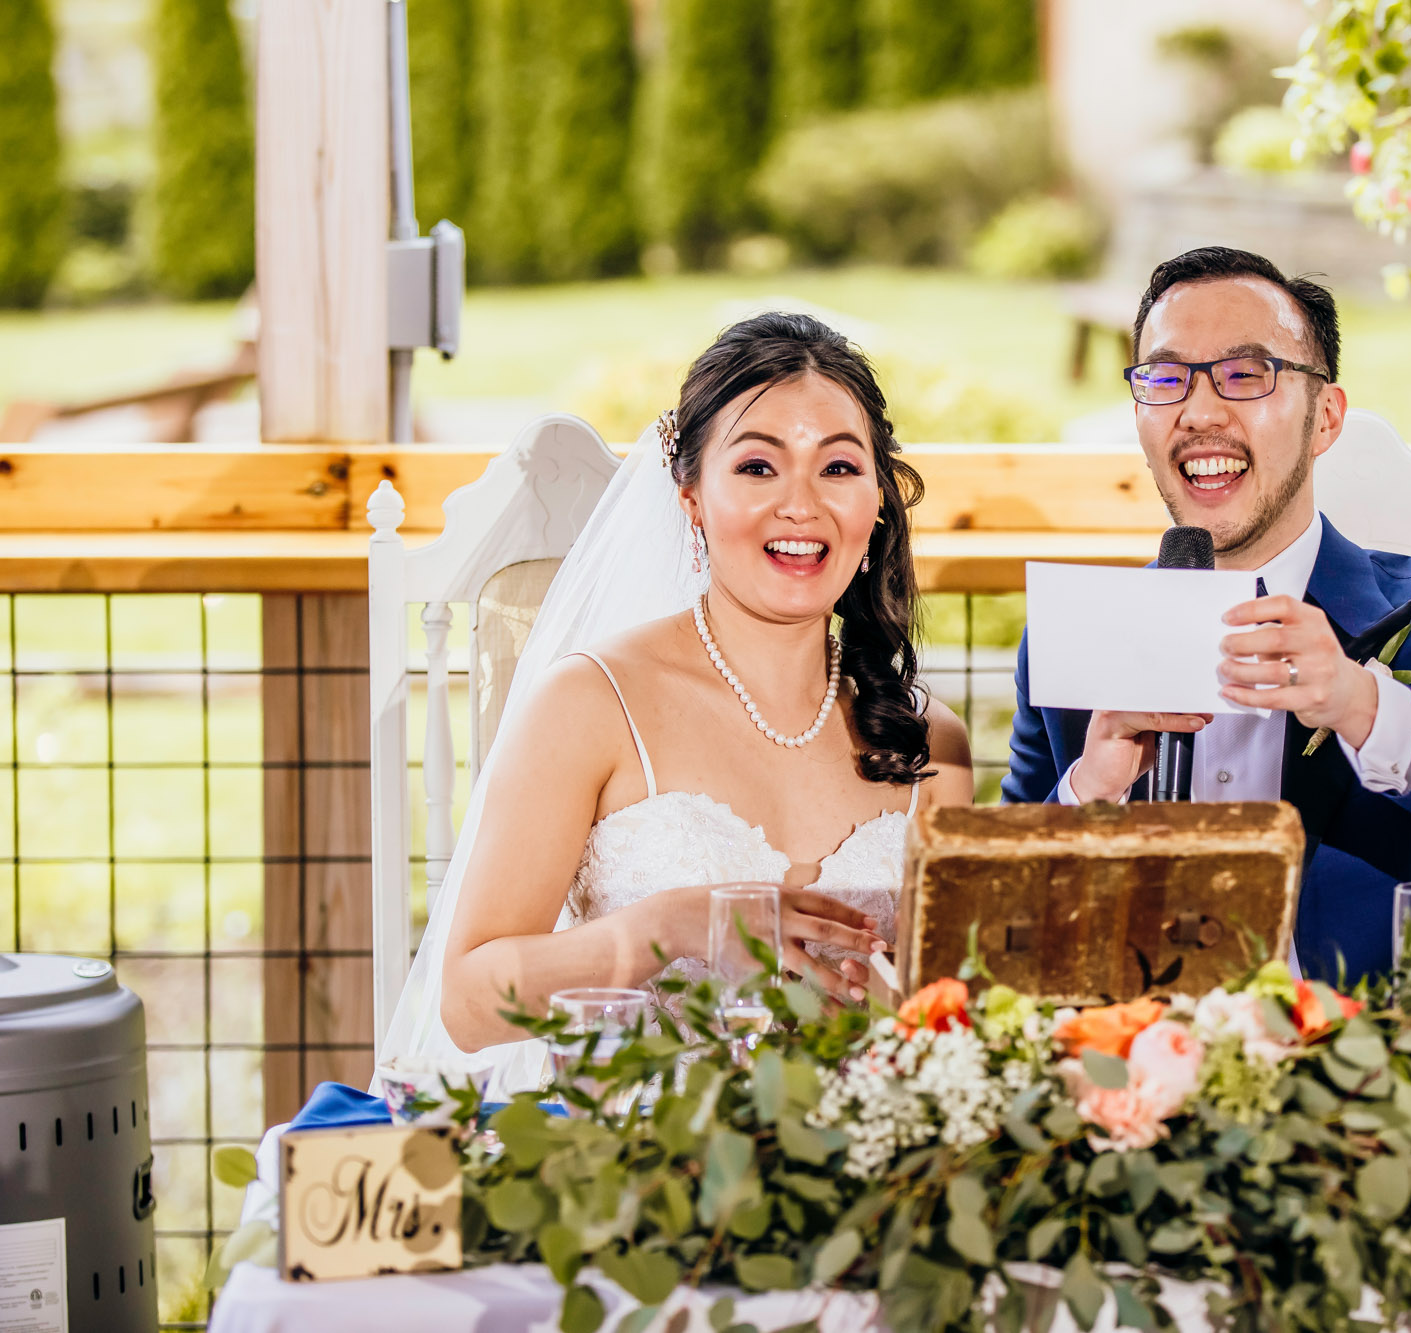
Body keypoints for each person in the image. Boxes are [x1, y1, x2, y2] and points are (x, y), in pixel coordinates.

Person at [382, 313, 973, 1090]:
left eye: (837, 468)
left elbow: (953, 1008)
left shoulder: (932, 742)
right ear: (691, 494)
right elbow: (466, 1000)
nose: (801, 505)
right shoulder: (590, 703)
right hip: (633, 1171)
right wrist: (662, 931)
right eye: (758, 467)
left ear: (878, 502)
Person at [1003, 247, 1411, 981]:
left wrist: (1363, 702)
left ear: (1326, 418)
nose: (1202, 412)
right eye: (1165, 378)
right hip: (1125, 1070)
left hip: (1358, 1072)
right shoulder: (1076, 637)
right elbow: (998, 936)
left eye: (1246, 375)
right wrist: (1087, 789)